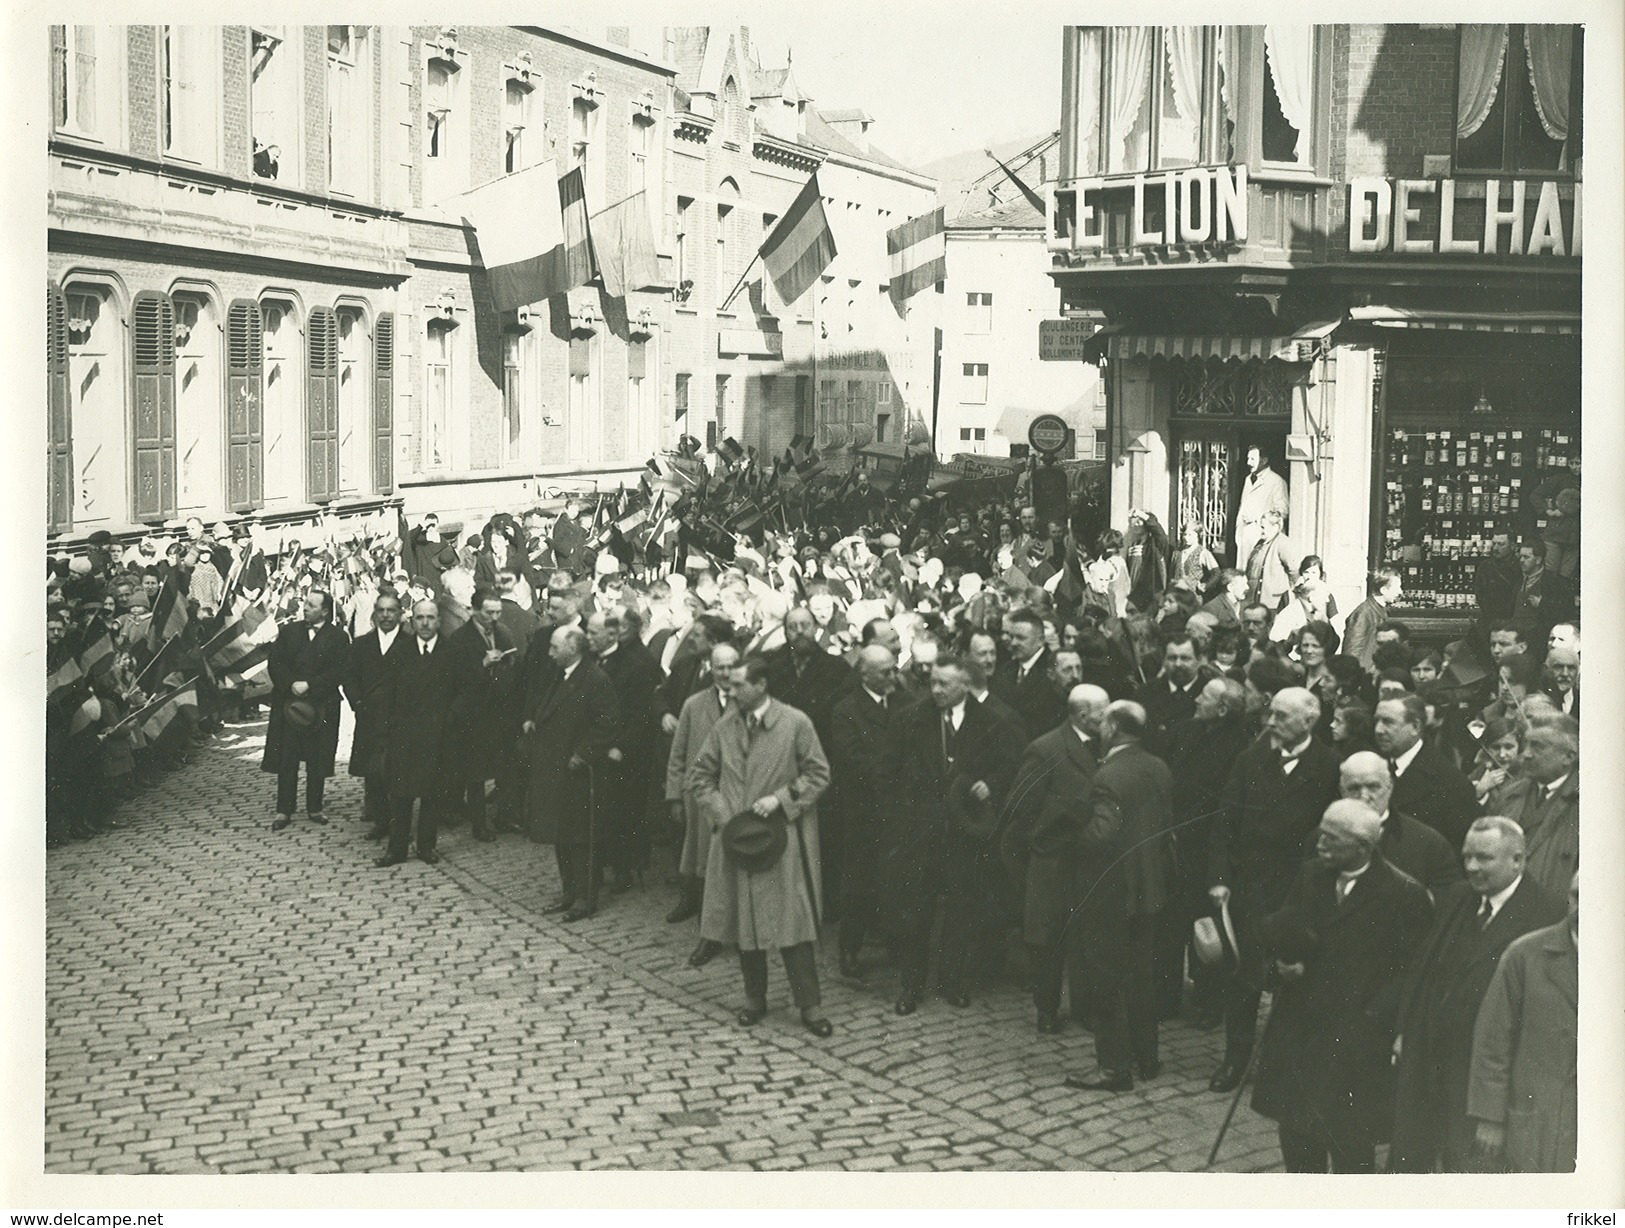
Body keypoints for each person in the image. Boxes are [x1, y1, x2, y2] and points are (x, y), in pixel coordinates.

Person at [1249, 799, 1434, 1172]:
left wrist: (1372, 1017)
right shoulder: (1311, 875)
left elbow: (1412, 972)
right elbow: (1286, 929)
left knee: (1350, 1144)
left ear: (1362, 847)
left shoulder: (1404, 894)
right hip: (1301, 1030)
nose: (1320, 844)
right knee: (1297, 1136)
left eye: (1332, 839)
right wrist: (1280, 965)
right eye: (1321, 834)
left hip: (1355, 1042)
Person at [1389, 816, 1565, 1172]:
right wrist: (1404, 1030)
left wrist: (1494, 1110)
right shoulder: (1457, 898)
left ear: (1518, 859)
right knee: (1410, 1165)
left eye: (1484, 858)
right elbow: (1424, 968)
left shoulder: (1545, 914)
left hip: (1481, 1076)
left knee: (1468, 1170)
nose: (1471, 866)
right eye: (1467, 856)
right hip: (1429, 1060)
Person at [687, 655, 834, 1037]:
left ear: (761, 685)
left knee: (792, 925)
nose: (730, 691)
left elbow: (818, 772)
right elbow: (700, 775)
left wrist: (783, 800)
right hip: (738, 841)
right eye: (729, 685)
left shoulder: (795, 723)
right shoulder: (725, 726)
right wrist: (725, 815)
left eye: (738, 685)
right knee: (745, 922)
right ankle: (755, 998)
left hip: (782, 842)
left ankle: (810, 1005)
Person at [1206, 687, 1342, 1092]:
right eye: (1272, 714)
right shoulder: (1251, 760)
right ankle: (1237, 1058)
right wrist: (1218, 879)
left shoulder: (1330, 767)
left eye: (1282, 717)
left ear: (1308, 721)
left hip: (1299, 891)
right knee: (1242, 978)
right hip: (1250, 886)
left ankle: (1284, 1065)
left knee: (1294, 979)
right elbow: (1224, 823)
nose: (1271, 722)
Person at [890, 655, 1016, 1014]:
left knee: (963, 909)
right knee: (916, 911)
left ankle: (953, 982)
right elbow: (891, 771)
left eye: (945, 684)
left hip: (966, 832)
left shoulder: (992, 722)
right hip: (921, 833)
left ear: (965, 685)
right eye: (933, 682)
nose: (936, 690)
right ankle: (911, 987)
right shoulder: (911, 720)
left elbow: (1009, 767)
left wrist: (989, 786)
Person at [1062, 700, 1176, 1093]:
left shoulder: (1107, 774)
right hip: (1149, 889)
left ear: (1112, 728)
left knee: (1106, 980)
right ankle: (1147, 1058)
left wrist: (1072, 833)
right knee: (1142, 976)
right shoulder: (1158, 767)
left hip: (1111, 893)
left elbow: (1101, 834)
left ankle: (1113, 1067)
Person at [1008, 684, 1108, 1034]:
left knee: (1086, 938)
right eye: (1103, 713)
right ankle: (1046, 1007)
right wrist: (1047, 833)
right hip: (1053, 860)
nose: (1108, 719)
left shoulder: (1106, 746)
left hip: (1090, 861)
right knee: (1048, 940)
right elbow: (1021, 807)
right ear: (1083, 715)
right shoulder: (1047, 748)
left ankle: (1088, 1006)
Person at [1467, 870, 1579, 1173]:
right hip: (1539, 1123)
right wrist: (1490, 1118)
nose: (1583, 908)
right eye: (1577, 897)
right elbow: (1492, 1043)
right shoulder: (1525, 955)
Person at [1161, 676, 1252, 1027]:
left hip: (1208, 851)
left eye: (1205, 696)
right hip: (1176, 845)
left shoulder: (1238, 749)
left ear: (1223, 708)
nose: (1196, 699)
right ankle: (1166, 998)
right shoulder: (1186, 731)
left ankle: (1209, 1002)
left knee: (1207, 928)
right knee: (1171, 925)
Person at [521, 626, 620, 920]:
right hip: (553, 768)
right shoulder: (559, 673)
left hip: (577, 772)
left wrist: (584, 754)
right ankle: (569, 891)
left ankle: (585, 898)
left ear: (573, 649)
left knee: (580, 837)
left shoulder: (595, 680)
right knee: (560, 834)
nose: (549, 653)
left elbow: (608, 723)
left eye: (554, 648)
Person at [827, 645, 904, 981]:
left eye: (894, 669)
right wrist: (892, 775)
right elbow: (851, 760)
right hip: (863, 810)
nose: (893, 677)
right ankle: (850, 947)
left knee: (897, 880)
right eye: (885, 672)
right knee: (858, 884)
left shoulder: (905, 702)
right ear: (865, 675)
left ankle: (896, 943)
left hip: (900, 809)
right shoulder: (846, 711)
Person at [664, 643, 742, 966]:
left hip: (738, 799)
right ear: (710, 668)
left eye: (730, 667)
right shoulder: (695, 705)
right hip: (701, 802)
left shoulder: (749, 703)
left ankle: (741, 935)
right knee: (705, 871)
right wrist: (674, 795)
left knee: (737, 867)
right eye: (719, 667)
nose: (724, 674)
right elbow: (678, 753)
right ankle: (709, 936)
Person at [376, 599, 466, 868]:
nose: (425, 623)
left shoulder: (452, 652)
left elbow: (465, 691)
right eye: (419, 618)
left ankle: (426, 846)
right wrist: (389, 730)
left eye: (430, 618)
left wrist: (448, 718)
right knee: (400, 795)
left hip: (439, 736)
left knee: (432, 793)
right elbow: (387, 694)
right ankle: (397, 849)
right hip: (405, 736)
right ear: (411, 621)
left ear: (439, 620)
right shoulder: (399, 652)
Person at [262, 590, 350, 831]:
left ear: (324, 610)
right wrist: (291, 684)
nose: (305, 608)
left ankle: (315, 807)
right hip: (289, 702)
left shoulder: (338, 637)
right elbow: (275, 663)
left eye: (312, 605)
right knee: (287, 757)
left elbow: (340, 670)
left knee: (317, 756)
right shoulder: (290, 632)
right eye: (306, 604)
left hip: (321, 703)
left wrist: (311, 685)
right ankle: (284, 809)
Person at [589, 607, 664, 891]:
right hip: (599, 748)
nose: (588, 637)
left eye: (593, 633)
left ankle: (624, 871)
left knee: (622, 812)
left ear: (614, 634)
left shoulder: (634, 664)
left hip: (624, 751)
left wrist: (621, 746)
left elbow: (639, 713)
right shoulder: (595, 661)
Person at [446, 587, 519, 842]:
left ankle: (504, 817)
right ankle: (479, 825)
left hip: (501, 711)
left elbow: (514, 668)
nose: (495, 618)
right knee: (475, 773)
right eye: (489, 613)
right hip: (474, 714)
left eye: (498, 612)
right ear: (475, 611)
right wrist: (483, 666)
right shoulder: (459, 639)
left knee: (505, 765)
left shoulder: (503, 633)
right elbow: (455, 679)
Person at [1334, 752, 1462, 898]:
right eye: (1354, 788)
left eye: (1373, 787)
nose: (1364, 796)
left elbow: (1450, 903)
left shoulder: (1429, 843)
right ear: (1342, 791)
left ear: (1390, 788)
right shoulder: (1320, 841)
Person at [1483, 718, 1579, 901]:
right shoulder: (1509, 795)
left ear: (1568, 757)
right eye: (1526, 745)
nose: (1525, 754)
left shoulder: (1587, 807)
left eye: (1538, 747)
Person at [1375, 694, 1478, 852]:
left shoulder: (1449, 781)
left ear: (1415, 727)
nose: (1378, 730)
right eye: (1377, 721)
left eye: (1388, 722)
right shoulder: (1375, 767)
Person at [344, 590, 405, 840]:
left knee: (399, 771)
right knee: (374, 771)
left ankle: (400, 825)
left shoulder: (410, 644)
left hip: (400, 719)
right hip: (370, 717)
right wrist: (358, 703)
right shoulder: (362, 645)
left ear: (400, 614)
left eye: (391, 610)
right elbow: (349, 678)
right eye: (381, 610)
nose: (386, 616)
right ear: (374, 614)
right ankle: (380, 821)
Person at [992, 607, 1064, 740]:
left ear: (1041, 640)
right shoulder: (1006, 670)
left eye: (1020, 638)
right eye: (1012, 637)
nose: (1013, 643)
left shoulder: (1053, 671)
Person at [1511, 537, 1577, 647]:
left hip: (1540, 642)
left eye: (1526, 557)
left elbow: (1564, 614)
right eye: (1520, 556)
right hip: (1516, 639)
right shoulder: (1517, 580)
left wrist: (1542, 605)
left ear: (1538, 560)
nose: (1521, 560)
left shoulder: (1555, 583)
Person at [1234, 445, 1290, 566]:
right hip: (1245, 537)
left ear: (1264, 461)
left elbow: (1282, 511)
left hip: (1262, 537)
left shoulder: (1276, 482)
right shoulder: (1248, 479)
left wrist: (1258, 518)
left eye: (1253, 459)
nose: (1248, 462)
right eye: (1248, 458)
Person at [1342, 568, 1401, 675]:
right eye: (1397, 588)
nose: (1400, 592)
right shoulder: (1363, 613)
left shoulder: (1380, 610)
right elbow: (1351, 652)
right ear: (1383, 590)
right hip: (1363, 676)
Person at [1244, 510, 1300, 614]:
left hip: (1274, 603)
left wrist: (1290, 591)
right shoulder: (1261, 543)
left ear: (1275, 527)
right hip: (1256, 601)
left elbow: (1294, 570)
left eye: (1263, 527)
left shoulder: (1283, 543)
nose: (1260, 530)